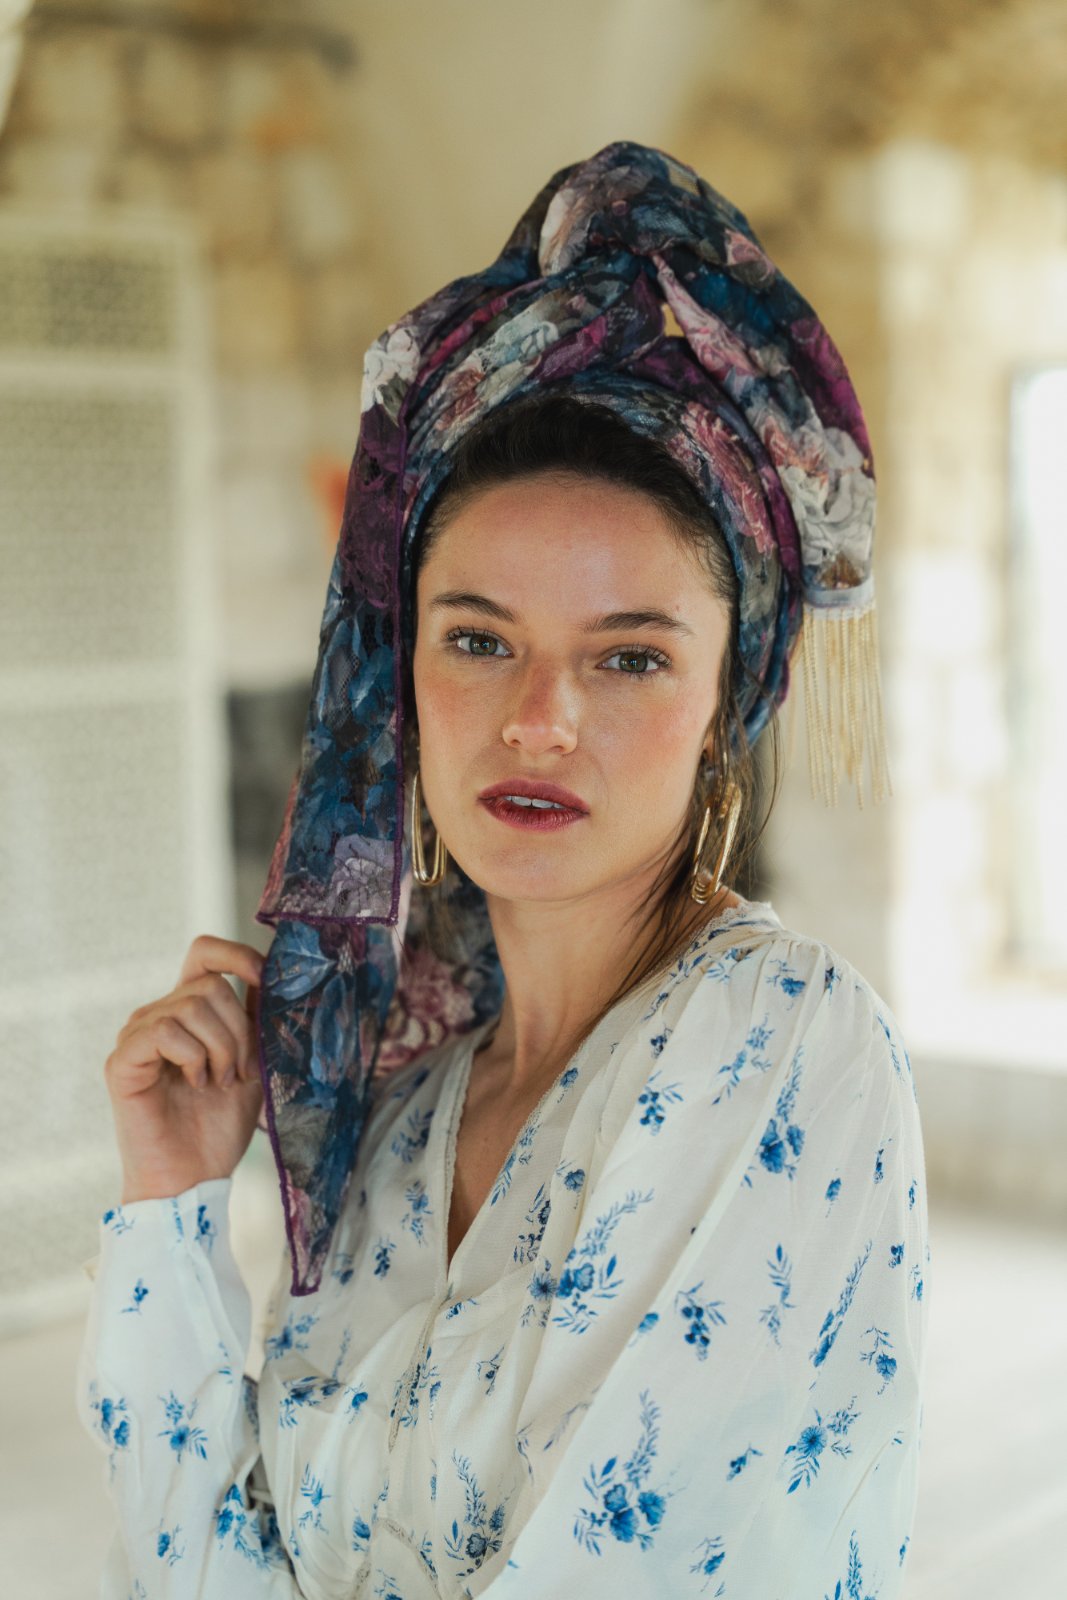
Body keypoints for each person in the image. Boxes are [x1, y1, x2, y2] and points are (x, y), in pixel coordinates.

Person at [76, 141, 929, 1599]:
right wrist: (170, 1204)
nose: (541, 718)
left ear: (726, 702)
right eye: (478, 639)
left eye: (630, 657)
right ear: (397, 680)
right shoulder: (395, 1124)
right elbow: (196, 1568)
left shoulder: (778, 1041)